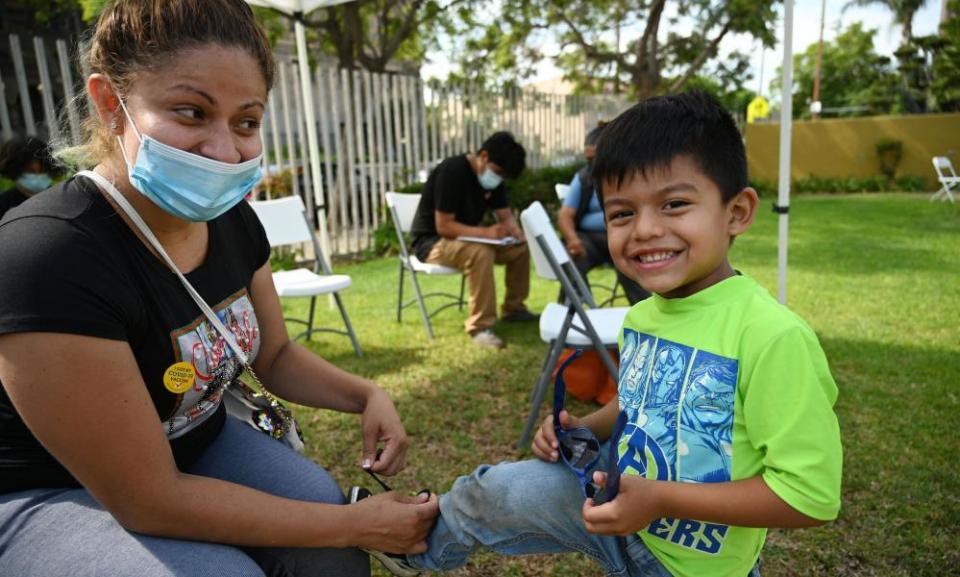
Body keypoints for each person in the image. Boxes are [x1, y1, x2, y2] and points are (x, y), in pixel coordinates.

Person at [0, 2, 438, 577]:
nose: (224, 151)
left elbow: (273, 354)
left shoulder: (231, 220)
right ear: (111, 104)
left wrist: (366, 395)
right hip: (42, 489)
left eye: (246, 121)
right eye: (190, 112)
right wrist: (355, 524)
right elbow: (147, 498)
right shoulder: (46, 255)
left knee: (328, 555)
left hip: (196, 444)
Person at [384, 91, 844, 576]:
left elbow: (808, 496)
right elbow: (642, 401)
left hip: (691, 566)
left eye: (675, 204)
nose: (644, 229)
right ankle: (418, 550)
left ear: (737, 212)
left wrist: (661, 500)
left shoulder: (771, 336)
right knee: (492, 490)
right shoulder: (644, 315)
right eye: (622, 213)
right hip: (618, 504)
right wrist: (586, 428)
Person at [410, 132, 537, 348]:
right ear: (484, 156)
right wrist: (486, 234)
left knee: (519, 249)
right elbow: (444, 226)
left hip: (468, 240)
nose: (498, 179)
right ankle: (480, 327)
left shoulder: (492, 180)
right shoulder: (452, 171)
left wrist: (515, 232)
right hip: (432, 243)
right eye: (498, 173)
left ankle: (514, 309)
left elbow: (505, 216)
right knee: (480, 252)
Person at [557, 123, 648, 305]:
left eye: (596, 158)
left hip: (625, 235)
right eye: (588, 159)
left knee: (630, 257)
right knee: (573, 256)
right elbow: (565, 214)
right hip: (591, 240)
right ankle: (576, 310)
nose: (592, 165)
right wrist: (573, 239)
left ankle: (645, 308)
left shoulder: (632, 176)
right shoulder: (583, 178)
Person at [0, 136, 63, 219]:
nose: (37, 176)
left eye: (42, 171)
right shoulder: (3, 203)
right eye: (30, 171)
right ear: (15, 171)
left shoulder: (61, 198)